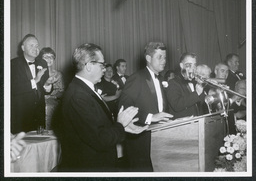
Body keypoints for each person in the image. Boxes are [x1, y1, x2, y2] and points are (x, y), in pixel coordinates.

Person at [58, 43, 148, 172]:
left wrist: (123, 127)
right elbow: (100, 139)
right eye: (102, 65)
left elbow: (97, 126)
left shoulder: (83, 89)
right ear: (89, 66)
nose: (105, 69)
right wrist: (120, 125)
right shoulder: (78, 96)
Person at [118, 42, 173, 172]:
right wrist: (150, 117)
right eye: (159, 57)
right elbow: (123, 109)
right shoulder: (136, 78)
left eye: (165, 57)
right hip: (141, 142)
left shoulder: (159, 79)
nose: (164, 61)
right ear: (148, 58)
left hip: (159, 141)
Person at [11, 34, 50, 134]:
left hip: (39, 113)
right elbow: (13, 89)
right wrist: (35, 80)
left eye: (37, 46)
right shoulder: (13, 64)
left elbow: (44, 89)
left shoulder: (43, 63)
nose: (35, 48)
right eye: (31, 45)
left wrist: (48, 85)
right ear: (23, 48)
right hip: (21, 114)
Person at [166, 52, 206, 119]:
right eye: (189, 65)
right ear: (181, 65)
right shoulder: (173, 83)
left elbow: (202, 104)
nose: (193, 68)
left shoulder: (194, 82)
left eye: (194, 65)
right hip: (183, 126)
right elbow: (177, 105)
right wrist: (196, 93)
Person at [38, 47, 65, 129]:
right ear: (41, 58)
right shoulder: (38, 73)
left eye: (51, 57)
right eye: (46, 56)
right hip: (39, 102)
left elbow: (62, 92)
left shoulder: (58, 74)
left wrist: (53, 96)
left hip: (53, 103)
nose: (49, 59)